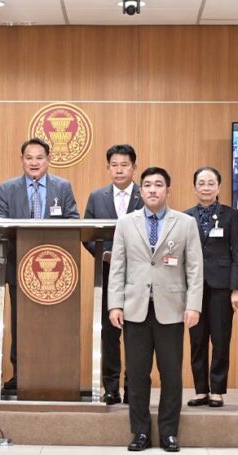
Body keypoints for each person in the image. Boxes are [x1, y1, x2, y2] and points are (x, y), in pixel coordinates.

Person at [108, 167, 203, 453]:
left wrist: (194, 305)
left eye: (158, 185)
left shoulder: (185, 223)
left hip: (172, 309)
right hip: (135, 308)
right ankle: (140, 432)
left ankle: (169, 433)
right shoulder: (126, 223)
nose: (152, 189)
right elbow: (118, 267)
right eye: (147, 185)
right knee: (137, 375)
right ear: (141, 191)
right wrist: (115, 304)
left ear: (168, 190)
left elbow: (195, 268)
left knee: (171, 374)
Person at [0, 137, 79, 390]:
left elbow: (73, 219)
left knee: (55, 323)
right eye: (29, 158)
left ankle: (56, 373)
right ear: (22, 160)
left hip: (57, 269)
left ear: (48, 160)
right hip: (19, 266)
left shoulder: (62, 187)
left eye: (39, 158)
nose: (34, 162)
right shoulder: (7, 188)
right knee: (21, 323)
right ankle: (20, 373)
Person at [83, 144, 143, 405]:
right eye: (114, 165)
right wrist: (103, 254)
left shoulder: (145, 194)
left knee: (136, 332)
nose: (119, 170)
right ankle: (111, 387)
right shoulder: (97, 197)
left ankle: (133, 387)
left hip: (140, 275)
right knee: (109, 333)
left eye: (124, 165)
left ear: (134, 168)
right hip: (107, 273)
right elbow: (86, 233)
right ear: (108, 168)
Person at [184, 167, 238, 408]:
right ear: (195, 187)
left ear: (219, 187)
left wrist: (237, 288)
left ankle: (217, 390)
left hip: (221, 286)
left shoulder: (230, 215)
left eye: (211, 183)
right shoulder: (185, 217)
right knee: (197, 340)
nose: (206, 187)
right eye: (201, 183)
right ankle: (201, 390)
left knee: (220, 339)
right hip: (193, 287)